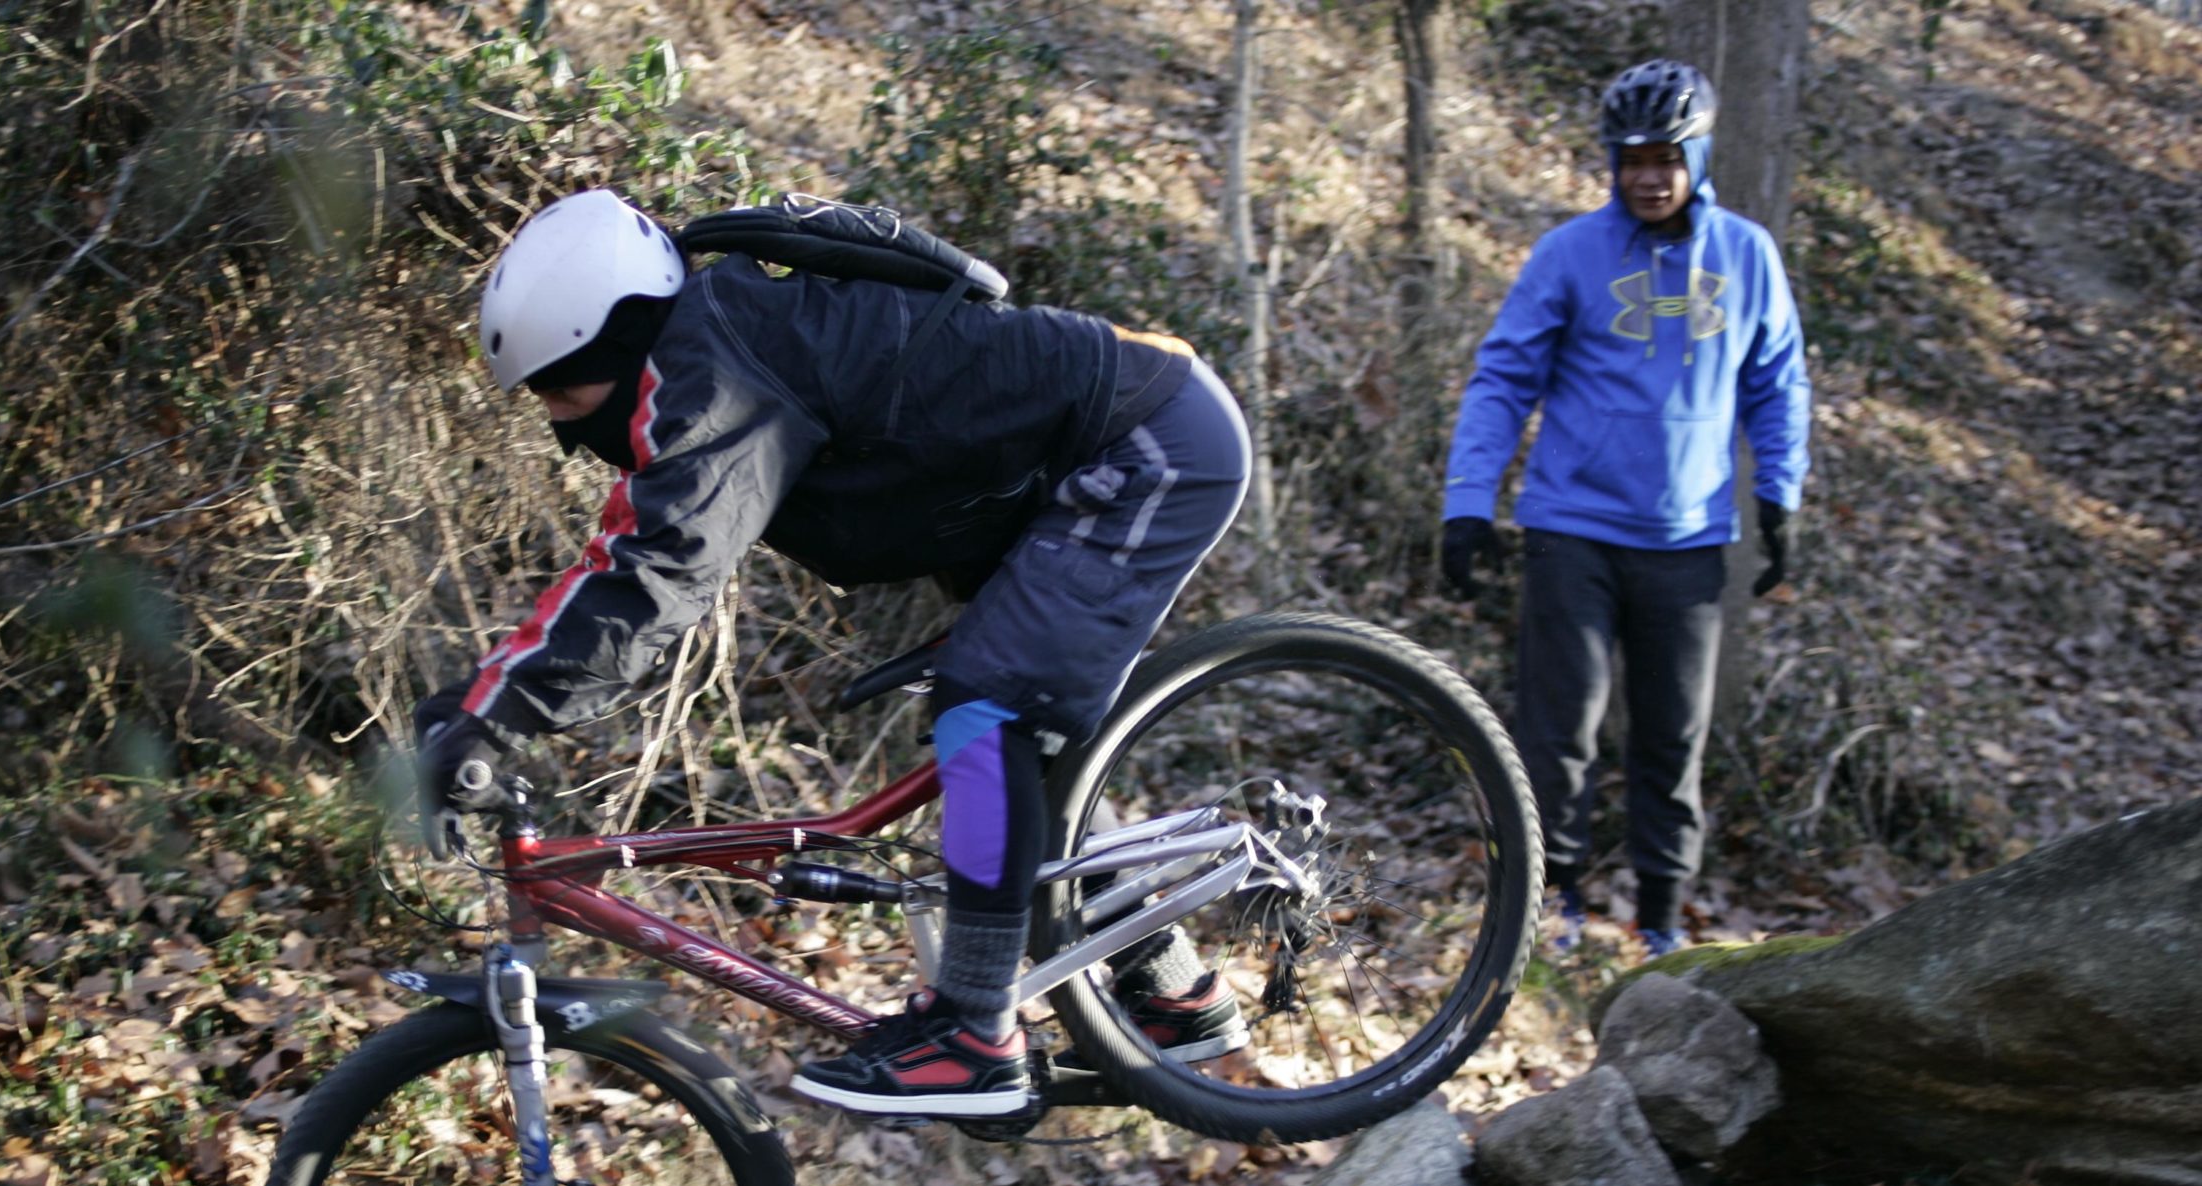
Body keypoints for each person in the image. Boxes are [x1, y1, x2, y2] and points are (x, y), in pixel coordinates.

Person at [416, 190, 1251, 1117]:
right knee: (1014, 744)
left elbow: (658, 571)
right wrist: (481, 704)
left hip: (1148, 440)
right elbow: (621, 552)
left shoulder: (714, 370)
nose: (562, 429)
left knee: (987, 705)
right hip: (1060, 473)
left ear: (609, 343)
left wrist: (493, 715)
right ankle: (1173, 993)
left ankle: (973, 1032)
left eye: (562, 392)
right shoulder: (705, 352)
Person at [1438, 59, 1810, 958]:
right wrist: (1467, 503)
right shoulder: (1569, 254)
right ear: (1613, 160)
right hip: (1572, 530)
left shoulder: (1747, 255)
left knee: (1672, 739)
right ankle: (1551, 903)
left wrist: (1778, 498)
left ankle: (1659, 918)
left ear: (1699, 157)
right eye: (1633, 157)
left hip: (1688, 539)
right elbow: (1502, 379)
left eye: (1667, 158)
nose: (1650, 176)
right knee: (1558, 732)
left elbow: (1778, 382)